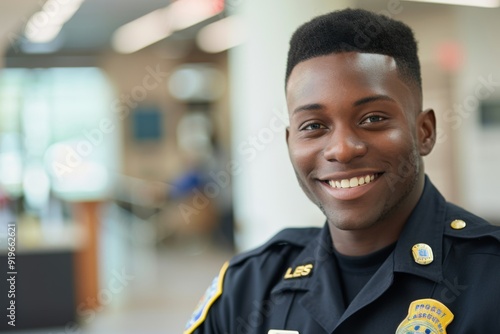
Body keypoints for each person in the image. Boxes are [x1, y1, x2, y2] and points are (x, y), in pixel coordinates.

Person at [184, 8, 500, 334]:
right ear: (290, 143)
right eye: (314, 126)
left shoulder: (490, 280)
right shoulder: (249, 287)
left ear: (424, 132)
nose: (342, 149)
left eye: (373, 118)